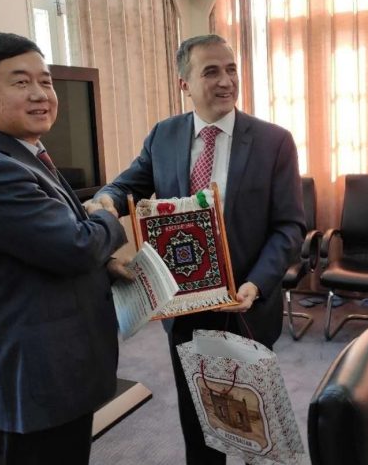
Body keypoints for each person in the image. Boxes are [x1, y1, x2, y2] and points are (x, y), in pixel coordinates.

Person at [93, 34, 306, 464]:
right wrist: (106, 201)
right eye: (211, 71)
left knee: (252, 424)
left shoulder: (274, 141)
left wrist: (257, 283)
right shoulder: (164, 135)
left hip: (245, 304)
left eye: (231, 69)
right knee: (199, 424)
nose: (226, 81)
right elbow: (127, 185)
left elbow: (289, 226)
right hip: (183, 307)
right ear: (184, 83)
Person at [0, 32, 129, 465]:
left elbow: (48, 250)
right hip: (37, 384)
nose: (40, 94)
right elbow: (75, 246)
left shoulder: (24, 153)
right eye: (20, 82)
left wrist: (104, 264)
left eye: (45, 81)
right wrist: (107, 212)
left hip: (60, 374)